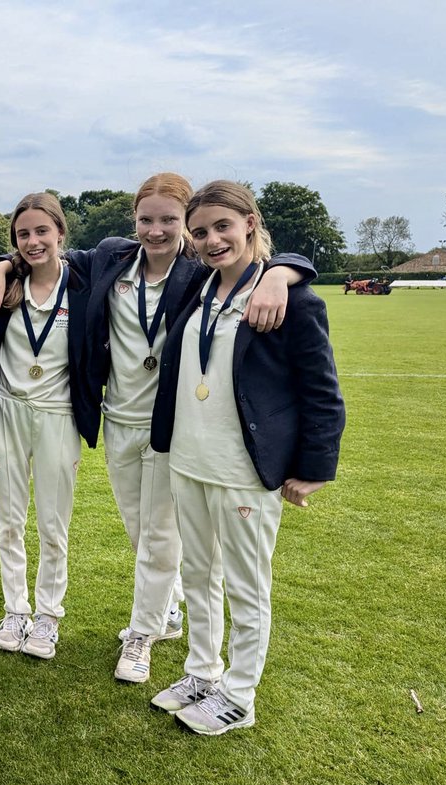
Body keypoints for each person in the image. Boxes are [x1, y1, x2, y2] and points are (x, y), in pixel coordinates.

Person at [0, 175, 315, 682]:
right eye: (146, 219)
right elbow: (41, 251)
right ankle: (168, 605)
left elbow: (260, 262)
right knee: (141, 532)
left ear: (185, 223)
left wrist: (282, 273)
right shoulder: (110, 259)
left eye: (168, 220)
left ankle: (140, 634)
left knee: (160, 537)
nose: (156, 230)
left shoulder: (199, 270)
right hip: (118, 421)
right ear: (133, 221)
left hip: (172, 428)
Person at [148, 180, 345, 734]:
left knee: (246, 584)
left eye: (223, 227)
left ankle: (239, 694)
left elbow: (322, 392)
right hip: (188, 460)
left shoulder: (292, 297)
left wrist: (312, 468)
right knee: (198, 574)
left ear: (250, 225)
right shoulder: (196, 286)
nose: (212, 240)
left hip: (244, 470)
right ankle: (202, 673)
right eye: (202, 231)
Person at [0, 194, 89, 660]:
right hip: (6, 408)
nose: (32, 241)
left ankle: (47, 615)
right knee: (9, 519)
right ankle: (15, 609)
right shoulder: (5, 286)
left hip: (57, 414)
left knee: (52, 522)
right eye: (23, 234)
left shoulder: (83, 285)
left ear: (60, 234)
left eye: (42, 231)